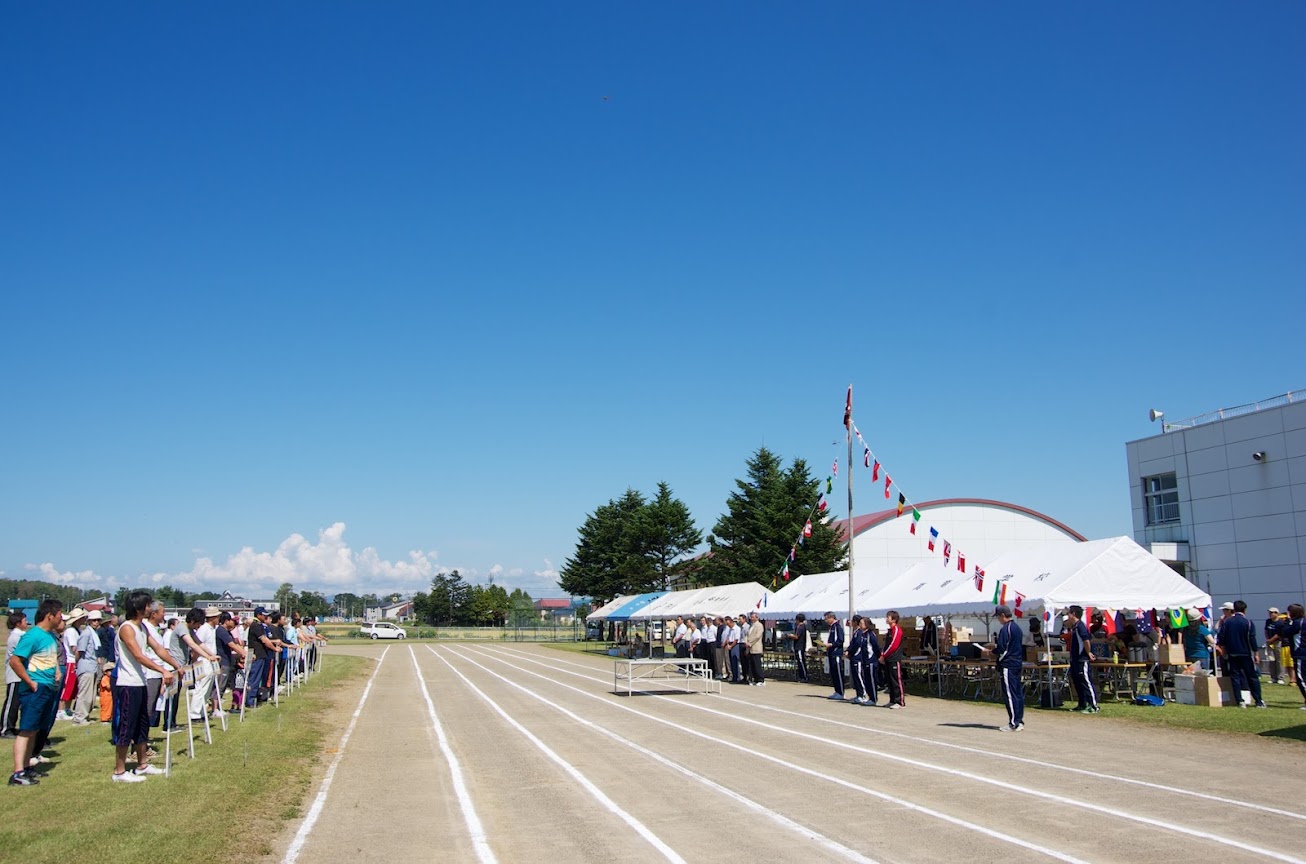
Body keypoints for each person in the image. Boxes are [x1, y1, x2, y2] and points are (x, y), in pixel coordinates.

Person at [113, 591, 176, 782]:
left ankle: (142, 765)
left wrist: (175, 666)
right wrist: (162, 670)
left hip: (140, 682)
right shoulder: (127, 628)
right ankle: (119, 771)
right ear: (139, 608)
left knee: (142, 725)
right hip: (127, 684)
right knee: (126, 727)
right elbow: (139, 655)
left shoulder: (142, 628)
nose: (151, 608)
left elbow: (158, 648)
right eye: (148, 605)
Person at [7, 599, 63, 786]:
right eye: (59, 615)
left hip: (47, 687)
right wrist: (30, 682)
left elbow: (50, 658)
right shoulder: (33, 635)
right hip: (35, 689)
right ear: (50, 616)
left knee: (34, 730)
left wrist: (56, 672)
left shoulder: (49, 636)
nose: (61, 618)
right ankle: (17, 773)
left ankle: (27, 767)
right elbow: (15, 661)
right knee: (26, 730)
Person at [1216, 600, 1265, 708]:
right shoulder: (1248, 622)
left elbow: (1221, 637)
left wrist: (1223, 649)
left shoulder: (1227, 622)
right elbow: (1252, 639)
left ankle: (1239, 700)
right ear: (1244, 610)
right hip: (1246, 653)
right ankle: (1258, 700)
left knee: (1235, 677)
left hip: (1232, 653)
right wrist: (1256, 653)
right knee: (1252, 676)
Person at [984, 605, 1025, 731]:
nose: (998, 620)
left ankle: (1014, 723)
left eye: (998, 617)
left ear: (1002, 616)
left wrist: (991, 652)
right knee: (1017, 693)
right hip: (1017, 663)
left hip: (1008, 664)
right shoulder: (1017, 628)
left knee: (1010, 694)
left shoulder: (1006, 629)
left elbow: (1002, 649)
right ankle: (1018, 720)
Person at [1064, 606, 1098, 714]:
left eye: (1069, 613)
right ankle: (1082, 703)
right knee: (1077, 682)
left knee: (1085, 681)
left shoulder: (1080, 626)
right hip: (1074, 659)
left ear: (1073, 613)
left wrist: (1088, 652)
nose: (1068, 616)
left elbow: (1086, 640)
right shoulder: (1075, 627)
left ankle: (1093, 705)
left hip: (1081, 659)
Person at [2, 611, 29, 739]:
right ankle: (5, 728)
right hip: (14, 674)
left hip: (21, 674)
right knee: (12, 702)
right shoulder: (16, 636)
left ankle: (11, 727)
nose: (27, 622)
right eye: (24, 620)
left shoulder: (21, 635)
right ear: (18, 623)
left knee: (17, 702)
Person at [71, 611, 101, 724]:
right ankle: (79, 717)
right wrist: (76, 664)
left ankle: (85, 715)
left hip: (92, 666)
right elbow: (79, 651)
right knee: (84, 694)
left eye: (98, 620)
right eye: (94, 620)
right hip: (86, 666)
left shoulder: (94, 633)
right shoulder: (86, 634)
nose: (96, 622)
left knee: (90, 695)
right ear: (89, 621)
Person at [58, 607, 86, 717]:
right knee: (68, 686)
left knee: (74, 688)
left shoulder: (78, 630)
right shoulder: (70, 631)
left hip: (76, 662)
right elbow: (74, 648)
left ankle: (68, 708)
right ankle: (60, 710)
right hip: (71, 661)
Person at [1277, 604, 1305, 708]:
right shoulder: (1302, 622)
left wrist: (1288, 620)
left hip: (1300, 654)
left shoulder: (1297, 623)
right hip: (1301, 653)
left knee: (1301, 678)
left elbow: (1285, 632)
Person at [880, 611, 906, 709]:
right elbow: (886, 645)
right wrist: (882, 654)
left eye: (888, 617)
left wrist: (884, 655)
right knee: (890, 681)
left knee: (896, 680)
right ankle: (892, 700)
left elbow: (893, 646)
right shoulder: (890, 630)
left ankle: (900, 701)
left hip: (894, 658)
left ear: (894, 619)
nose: (886, 619)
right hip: (888, 659)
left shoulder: (897, 630)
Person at [847, 616, 870, 704]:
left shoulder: (860, 632)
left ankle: (863, 694)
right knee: (856, 677)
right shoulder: (856, 632)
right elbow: (852, 644)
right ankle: (859, 694)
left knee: (859, 676)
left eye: (853, 621)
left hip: (858, 657)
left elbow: (857, 645)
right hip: (854, 657)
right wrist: (848, 651)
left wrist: (851, 653)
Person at [823, 612, 845, 700]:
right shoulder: (831, 627)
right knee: (833, 673)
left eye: (827, 618)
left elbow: (840, 640)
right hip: (831, 654)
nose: (826, 621)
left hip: (836, 653)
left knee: (838, 672)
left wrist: (831, 645)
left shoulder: (837, 627)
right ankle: (837, 691)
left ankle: (841, 692)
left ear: (831, 618)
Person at [785, 614, 810, 682]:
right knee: (799, 662)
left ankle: (805, 676)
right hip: (797, 646)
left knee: (801, 661)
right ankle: (801, 676)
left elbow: (796, 636)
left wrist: (790, 635)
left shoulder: (801, 627)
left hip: (800, 647)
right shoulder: (798, 626)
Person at [1264, 607, 1284, 685]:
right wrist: (1267, 639)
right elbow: (1266, 630)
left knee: (1279, 660)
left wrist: (1271, 640)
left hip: (1277, 642)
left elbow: (1278, 634)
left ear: (1277, 613)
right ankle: (1273, 677)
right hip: (1269, 643)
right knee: (1271, 660)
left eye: (1273, 612)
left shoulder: (1280, 622)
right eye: (1270, 612)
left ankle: (1280, 677)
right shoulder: (1268, 621)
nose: (1271, 614)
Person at [745, 612, 765, 686]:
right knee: (752, 664)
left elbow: (757, 636)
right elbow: (747, 635)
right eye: (751, 617)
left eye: (753, 617)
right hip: (750, 648)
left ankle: (761, 679)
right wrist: (746, 641)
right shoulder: (751, 626)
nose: (751, 618)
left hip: (756, 647)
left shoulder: (759, 625)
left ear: (757, 618)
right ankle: (754, 679)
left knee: (757, 664)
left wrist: (750, 642)